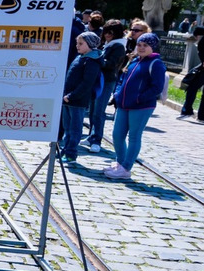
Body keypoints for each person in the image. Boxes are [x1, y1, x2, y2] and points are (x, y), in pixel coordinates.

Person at [104, 32, 167, 180]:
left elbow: (157, 87)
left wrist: (139, 98)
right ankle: (120, 163)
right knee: (117, 135)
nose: (141, 47)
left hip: (141, 107)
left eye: (145, 45)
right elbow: (122, 79)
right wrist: (118, 94)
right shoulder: (134, 61)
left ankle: (126, 168)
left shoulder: (156, 63)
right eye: (139, 44)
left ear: (153, 47)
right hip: (124, 104)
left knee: (134, 136)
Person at [59, 32, 103, 164]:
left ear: (90, 44)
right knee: (67, 127)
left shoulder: (92, 61)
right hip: (67, 99)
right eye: (77, 43)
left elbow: (86, 83)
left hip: (77, 101)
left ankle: (71, 153)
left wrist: (72, 96)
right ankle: (65, 150)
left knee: (74, 129)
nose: (77, 46)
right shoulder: (80, 57)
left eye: (81, 43)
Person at [87, 19, 129, 153]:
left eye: (111, 33)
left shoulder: (118, 46)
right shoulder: (107, 44)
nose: (107, 35)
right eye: (106, 32)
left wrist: (95, 57)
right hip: (98, 79)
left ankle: (96, 139)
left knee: (99, 111)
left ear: (117, 33)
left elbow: (110, 64)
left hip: (106, 81)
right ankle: (91, 136)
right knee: (93, 110)